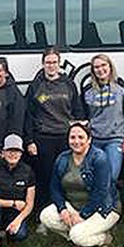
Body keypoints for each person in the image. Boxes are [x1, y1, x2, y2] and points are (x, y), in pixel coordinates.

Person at [39, 122, 120, 247]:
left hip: (102, 208)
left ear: (89, 140)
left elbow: (101, 192)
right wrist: (62, 209)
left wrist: (83, 215)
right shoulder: (62, 158)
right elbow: (54, 188)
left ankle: (104, 238)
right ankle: (80, 235)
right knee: (45, 216)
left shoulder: (99, 158)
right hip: (73, 206)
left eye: (81, 137)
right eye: (72, 137)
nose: (76, 141)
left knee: (78, 236)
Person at [24, 47, 85, 210]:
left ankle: (69, 210)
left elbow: (77, 111)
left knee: (67, 176)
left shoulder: (69, 84)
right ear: (43, 64)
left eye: (54, 62)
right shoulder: (36, 86)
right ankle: (44, 214)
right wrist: (29, 140)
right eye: (48, 62)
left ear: (59, 64)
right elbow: (29, 115)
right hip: (43, 138)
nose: (51, 66)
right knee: (45, 177)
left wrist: (79, 136)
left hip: (66, 138)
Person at [83, 53, 124, 181]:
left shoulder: (122, 87)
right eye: (96, 67)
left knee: (112, 176)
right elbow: (84, 116)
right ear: (93, 71)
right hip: (94, 140)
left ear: (110, 67)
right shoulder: (87, 90)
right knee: (93, 176)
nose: (100, 69)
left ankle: (110, 201)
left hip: (115, 139)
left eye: (103, 65)